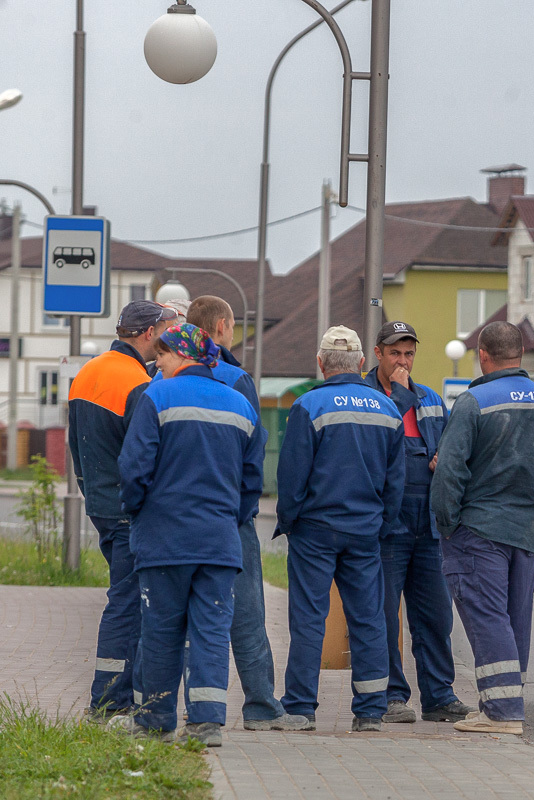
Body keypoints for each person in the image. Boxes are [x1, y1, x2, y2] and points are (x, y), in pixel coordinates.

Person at [118, 323, 266, 747]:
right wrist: (229, 517)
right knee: (212, 629)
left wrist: (139, 510)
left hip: (164, 540)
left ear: (182, 355)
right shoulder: (240, 404)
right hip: (219, 542)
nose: (157, 365)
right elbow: (252, 479)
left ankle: (156, 721)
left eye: (161, 357)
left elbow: (134, 469)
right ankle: (206, 723)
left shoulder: (157, 396)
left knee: (162, 629)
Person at [431, 321, 534, 735]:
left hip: (478, 528)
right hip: (525, 531)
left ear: (483, 355)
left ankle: (503, 712)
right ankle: (500, 702)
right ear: (521, 354)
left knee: (488, 617)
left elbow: (449, 472)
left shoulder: (473, 402)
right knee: (512, 620)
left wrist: (446, 525)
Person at [185, 296, 310, 731]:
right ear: (221, 327)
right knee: (247, 613)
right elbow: (250, 458)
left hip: (174, 518)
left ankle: (180, 707)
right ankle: (260, 706)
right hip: (226, 518)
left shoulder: (160, 377)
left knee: (174, 617)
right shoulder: (237, 380)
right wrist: (242, 512)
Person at [277, 326, 405, 732]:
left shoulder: (308, 406)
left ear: (321, 363)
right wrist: (380, 524)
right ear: (363, 363)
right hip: (365, 531)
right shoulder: (387, 409)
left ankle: (300, 708)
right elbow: (395, 481)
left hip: (314, 530)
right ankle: (369, 710)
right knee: (367, 619)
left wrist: (290, 521)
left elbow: (292, 475)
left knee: (309, 617)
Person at [67, 299, 178, 721]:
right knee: (127, 602)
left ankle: (116, 693)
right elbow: (144, 456)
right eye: (166, 330)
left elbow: (76, 445)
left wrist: (90, 493)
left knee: (123, 597)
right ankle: (110, 700)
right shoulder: (138, 383)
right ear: (149, 334)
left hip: (99, 502)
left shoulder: (87, 372)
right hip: (129, 509)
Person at [365, 321, 471, 724]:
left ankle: (439, 696)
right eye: (395, 353)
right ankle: (392, 696)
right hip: (387, 524)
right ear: (378, 353)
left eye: (408, 354)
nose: (402, 361)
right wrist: (402, 394)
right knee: (384, 614)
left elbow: (446, 444)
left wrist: (444, 458)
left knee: (435, 615)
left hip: (427, 522)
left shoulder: (429, 399)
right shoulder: (367, 396)